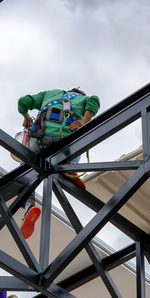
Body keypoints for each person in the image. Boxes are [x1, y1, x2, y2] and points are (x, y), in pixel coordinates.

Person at [17, 87, 100, 238]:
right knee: (78, 140)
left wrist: (27, 117)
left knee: (25, 166)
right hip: (65, 142)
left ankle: (28, 205)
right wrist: (83, 121)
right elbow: (95, 100)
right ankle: (70, 167)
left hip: (40, 140)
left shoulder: (47, 94)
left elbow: (23, 102)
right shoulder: (83, 100)